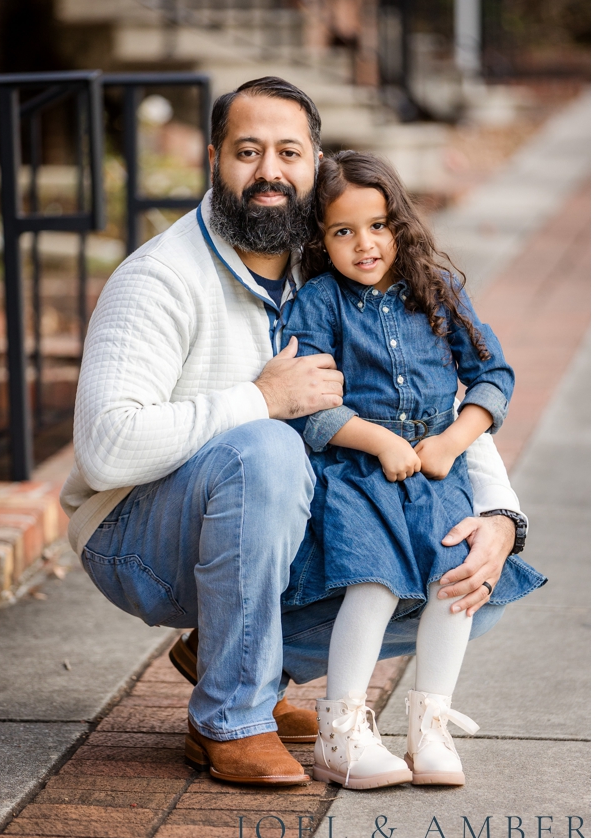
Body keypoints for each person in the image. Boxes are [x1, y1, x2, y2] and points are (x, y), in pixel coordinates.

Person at [61, 76, 528, 787]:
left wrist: (496, 516)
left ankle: (245, 659)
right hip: (134, 536)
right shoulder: (160, 278)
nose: (269, 172)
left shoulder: (337, 264)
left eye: (288, 153)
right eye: (247, 152)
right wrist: (259, 399)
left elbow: (426, 397)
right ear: (214, 160)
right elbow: (104, 450)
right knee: (269, 450)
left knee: (461, 580)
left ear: (316, 167)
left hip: (258, 517)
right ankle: (234, 715)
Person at [281, 151, 545, 789]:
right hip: (358, 477)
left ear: (399, 223)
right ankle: (341, 731)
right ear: (321, 240)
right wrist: (375, 440)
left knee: (453, 588)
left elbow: (492, 376)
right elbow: (308, 406)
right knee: (372, 586)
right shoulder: (320, 303)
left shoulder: (438, 291)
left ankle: (429, 729)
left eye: (377, 225)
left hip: (437, 475)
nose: (364, 244)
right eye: (343, 231)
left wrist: (452, 442)